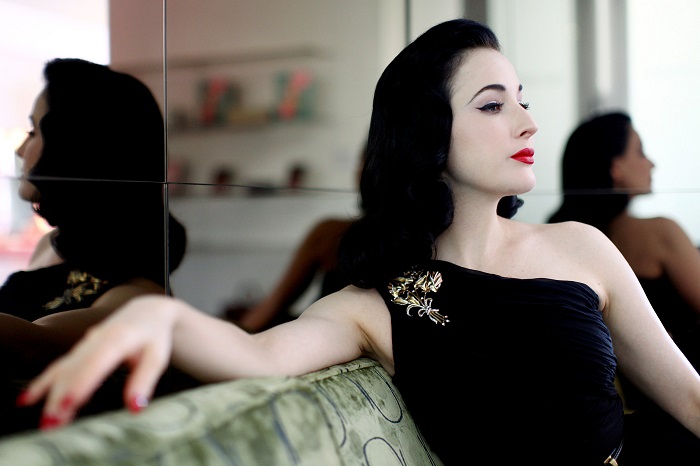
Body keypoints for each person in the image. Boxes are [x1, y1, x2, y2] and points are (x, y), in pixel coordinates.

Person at [17, 20, 700, 464]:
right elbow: (258, 355)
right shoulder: (376, 304)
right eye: (493, 104)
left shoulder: (581, 247)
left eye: (522, 98)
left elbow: (692, 400)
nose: (527, 121)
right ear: (429, 136)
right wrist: (161, 314)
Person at [0, 58, 194, 435]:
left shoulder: (138, 296)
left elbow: (33, 343)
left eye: (34, 131)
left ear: (78, 145)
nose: (21, 150)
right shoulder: (50, 246)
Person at [547, 110, 700, 460]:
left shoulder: (560, 243)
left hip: (633, 405)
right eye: (640, 152)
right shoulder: (657, 233)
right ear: (615, 168)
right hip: (685, 383)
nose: (651, 163)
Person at [228, 144, 366, 332]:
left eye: (361, 162)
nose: (356, 171)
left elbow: (265, 313)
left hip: (319, 337)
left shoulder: (332, 234)